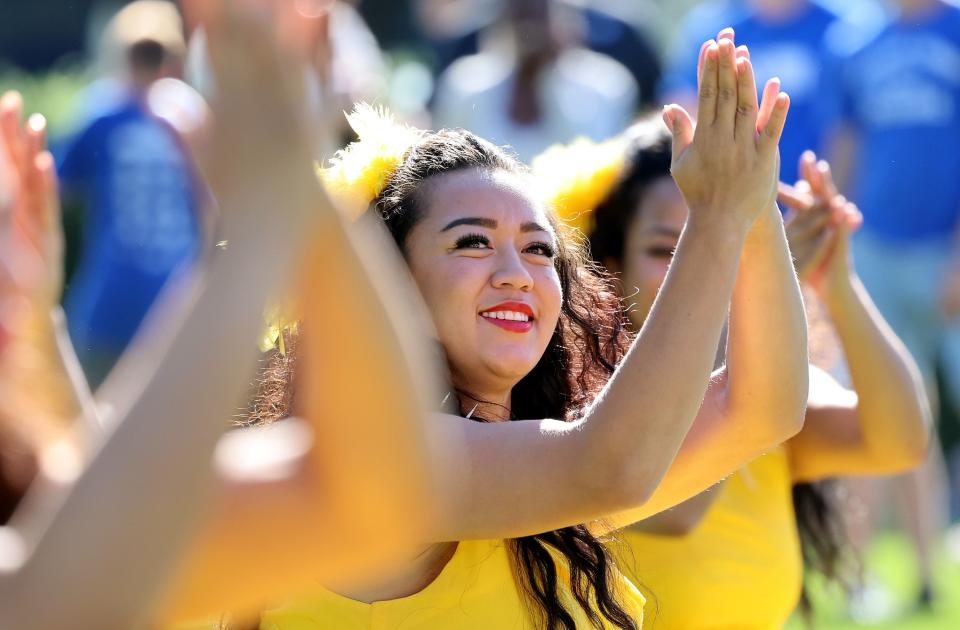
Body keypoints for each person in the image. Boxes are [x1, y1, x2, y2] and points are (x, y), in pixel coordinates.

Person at [165, 28, 813, 627]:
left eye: (538, 249)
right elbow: (609, 466)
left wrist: (754, 208)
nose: (516, 272)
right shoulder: (386, 465)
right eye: (472, 242)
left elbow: (761, 407)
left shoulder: (541, 482)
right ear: (392, 287)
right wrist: (717, 219)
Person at [538, 112, 929, 626]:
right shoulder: (575, 404)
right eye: (666, 250)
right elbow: (680, 511)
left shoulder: (774, 388)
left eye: (732, 239)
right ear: (611, 266)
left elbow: (898, 440)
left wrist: (835, 281)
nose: (707, 257)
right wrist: (735, 284)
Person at [822, 0, 960, 607]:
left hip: (946, 249)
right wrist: (831, 242)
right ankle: (865, 580)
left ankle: (931, 573)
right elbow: (846, 143)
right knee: (880, 414)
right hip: (875, 249)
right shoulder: (857, 42)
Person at [58, 0, 204, 389]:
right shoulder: (192, 116)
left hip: (111, 305)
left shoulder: (100, 113)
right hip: (180, 304)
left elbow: (58, 187)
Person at [659, 0, 883, 184]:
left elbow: (854, 129)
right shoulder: (711, 26)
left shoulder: (848, 26)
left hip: (817, 200)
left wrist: (831, 198)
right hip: (734, 199)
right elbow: (683, 110)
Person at [431, 0, 638, 162]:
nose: (529, 10)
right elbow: (448, 163)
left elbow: (595, 160)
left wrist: (549, 78)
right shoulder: (465, 84)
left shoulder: (606, 85)